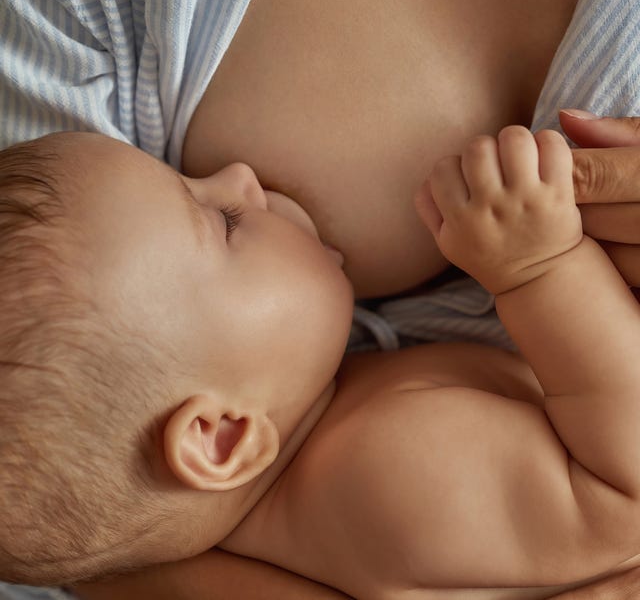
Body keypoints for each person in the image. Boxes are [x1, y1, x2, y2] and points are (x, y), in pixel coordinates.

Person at [3, 124, 640, 600]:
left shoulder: (274, 512)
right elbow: (625, 502)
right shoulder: (388, 476)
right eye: (224, 221)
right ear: (221, 435)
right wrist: (539, 269)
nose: (239, 175)